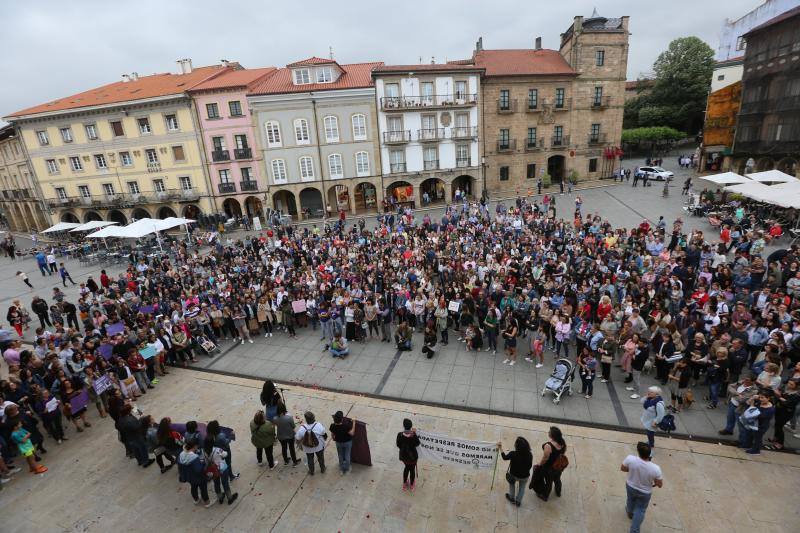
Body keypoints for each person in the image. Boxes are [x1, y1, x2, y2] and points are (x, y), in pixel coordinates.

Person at [621, 442, 663, 533]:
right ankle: (634, 531)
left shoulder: (630, 459)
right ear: (649, 455)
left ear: (638, 452)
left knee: (630, 499)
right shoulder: (656, 468)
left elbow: (623, 468)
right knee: (640, 510)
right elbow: (660, 485)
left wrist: (632, 470)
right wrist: (655, 482)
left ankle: (630, 512)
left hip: (630, 486)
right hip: (645, 492)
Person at [531, 426, 566, 501]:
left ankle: (545, 496)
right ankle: (558, 492)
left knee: (549, 482)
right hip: (558, 465)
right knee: (557, 479)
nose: (548, 433)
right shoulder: (562, 442)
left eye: (549, 432)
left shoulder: (548, 446)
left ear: (552, 435)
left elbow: (545, 458)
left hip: (549, 468)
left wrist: (539, 464)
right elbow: (562, 452)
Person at [202, 436, 238, 505]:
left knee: (216, 484)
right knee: (225, 483)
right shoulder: (217, 450)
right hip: (222, 469)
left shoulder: (203, 451)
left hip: (213, 471)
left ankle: (220, 497)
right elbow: (225, 454)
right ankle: (230, 498)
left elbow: (205, 461)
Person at [498, 436, 532, 507]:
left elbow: (504, 457)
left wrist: (500, 448)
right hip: (525, 476)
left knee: (512, 485)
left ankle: (511, 498)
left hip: (514, 475)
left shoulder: (513, 453)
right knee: (522, 488)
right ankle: (518, 502)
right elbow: (530, 466)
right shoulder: (529, 455)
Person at [178, 439, 213, 508]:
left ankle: (196, 499)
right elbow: (198, 469)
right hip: (199, 477)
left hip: (189, 476)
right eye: (196, 446)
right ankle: (207, 502)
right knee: (203, 489)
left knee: (193, 488)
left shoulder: (181, 454)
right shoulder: (194, 457)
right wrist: (203, 463)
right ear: (194, 446)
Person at [396, 418, 420, 491]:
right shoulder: (413, 435)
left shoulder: (399, 435)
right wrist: (414, 433)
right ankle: (412, 484)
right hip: (413, 457)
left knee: (406, 468)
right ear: (411, 426)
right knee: (412, 470)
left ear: (404, 426)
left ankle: (405, 483)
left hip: (404, 456)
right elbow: (417, 443)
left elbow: (398, 445)